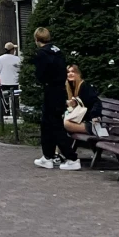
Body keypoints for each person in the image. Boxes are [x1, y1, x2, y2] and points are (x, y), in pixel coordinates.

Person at [32, 28, 79, 170]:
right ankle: (48, 156)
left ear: (36, 39)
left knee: (53, 124)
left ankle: (71, 158)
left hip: (51, 90)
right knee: (47, 124)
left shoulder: (42, 54)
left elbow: (40, 75)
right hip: (60, 90)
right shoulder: (57, 51)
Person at [62, 64, 108, 140]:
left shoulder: (84, 86)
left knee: (65, 124)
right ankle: (60, 150)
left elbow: (96, 102)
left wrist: (95, 116)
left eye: (73, 71)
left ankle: (61, 150)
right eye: (68, 72)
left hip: (91, 123)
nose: (70, 74)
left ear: (78, 74)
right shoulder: (70, 87)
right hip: (79, 120)